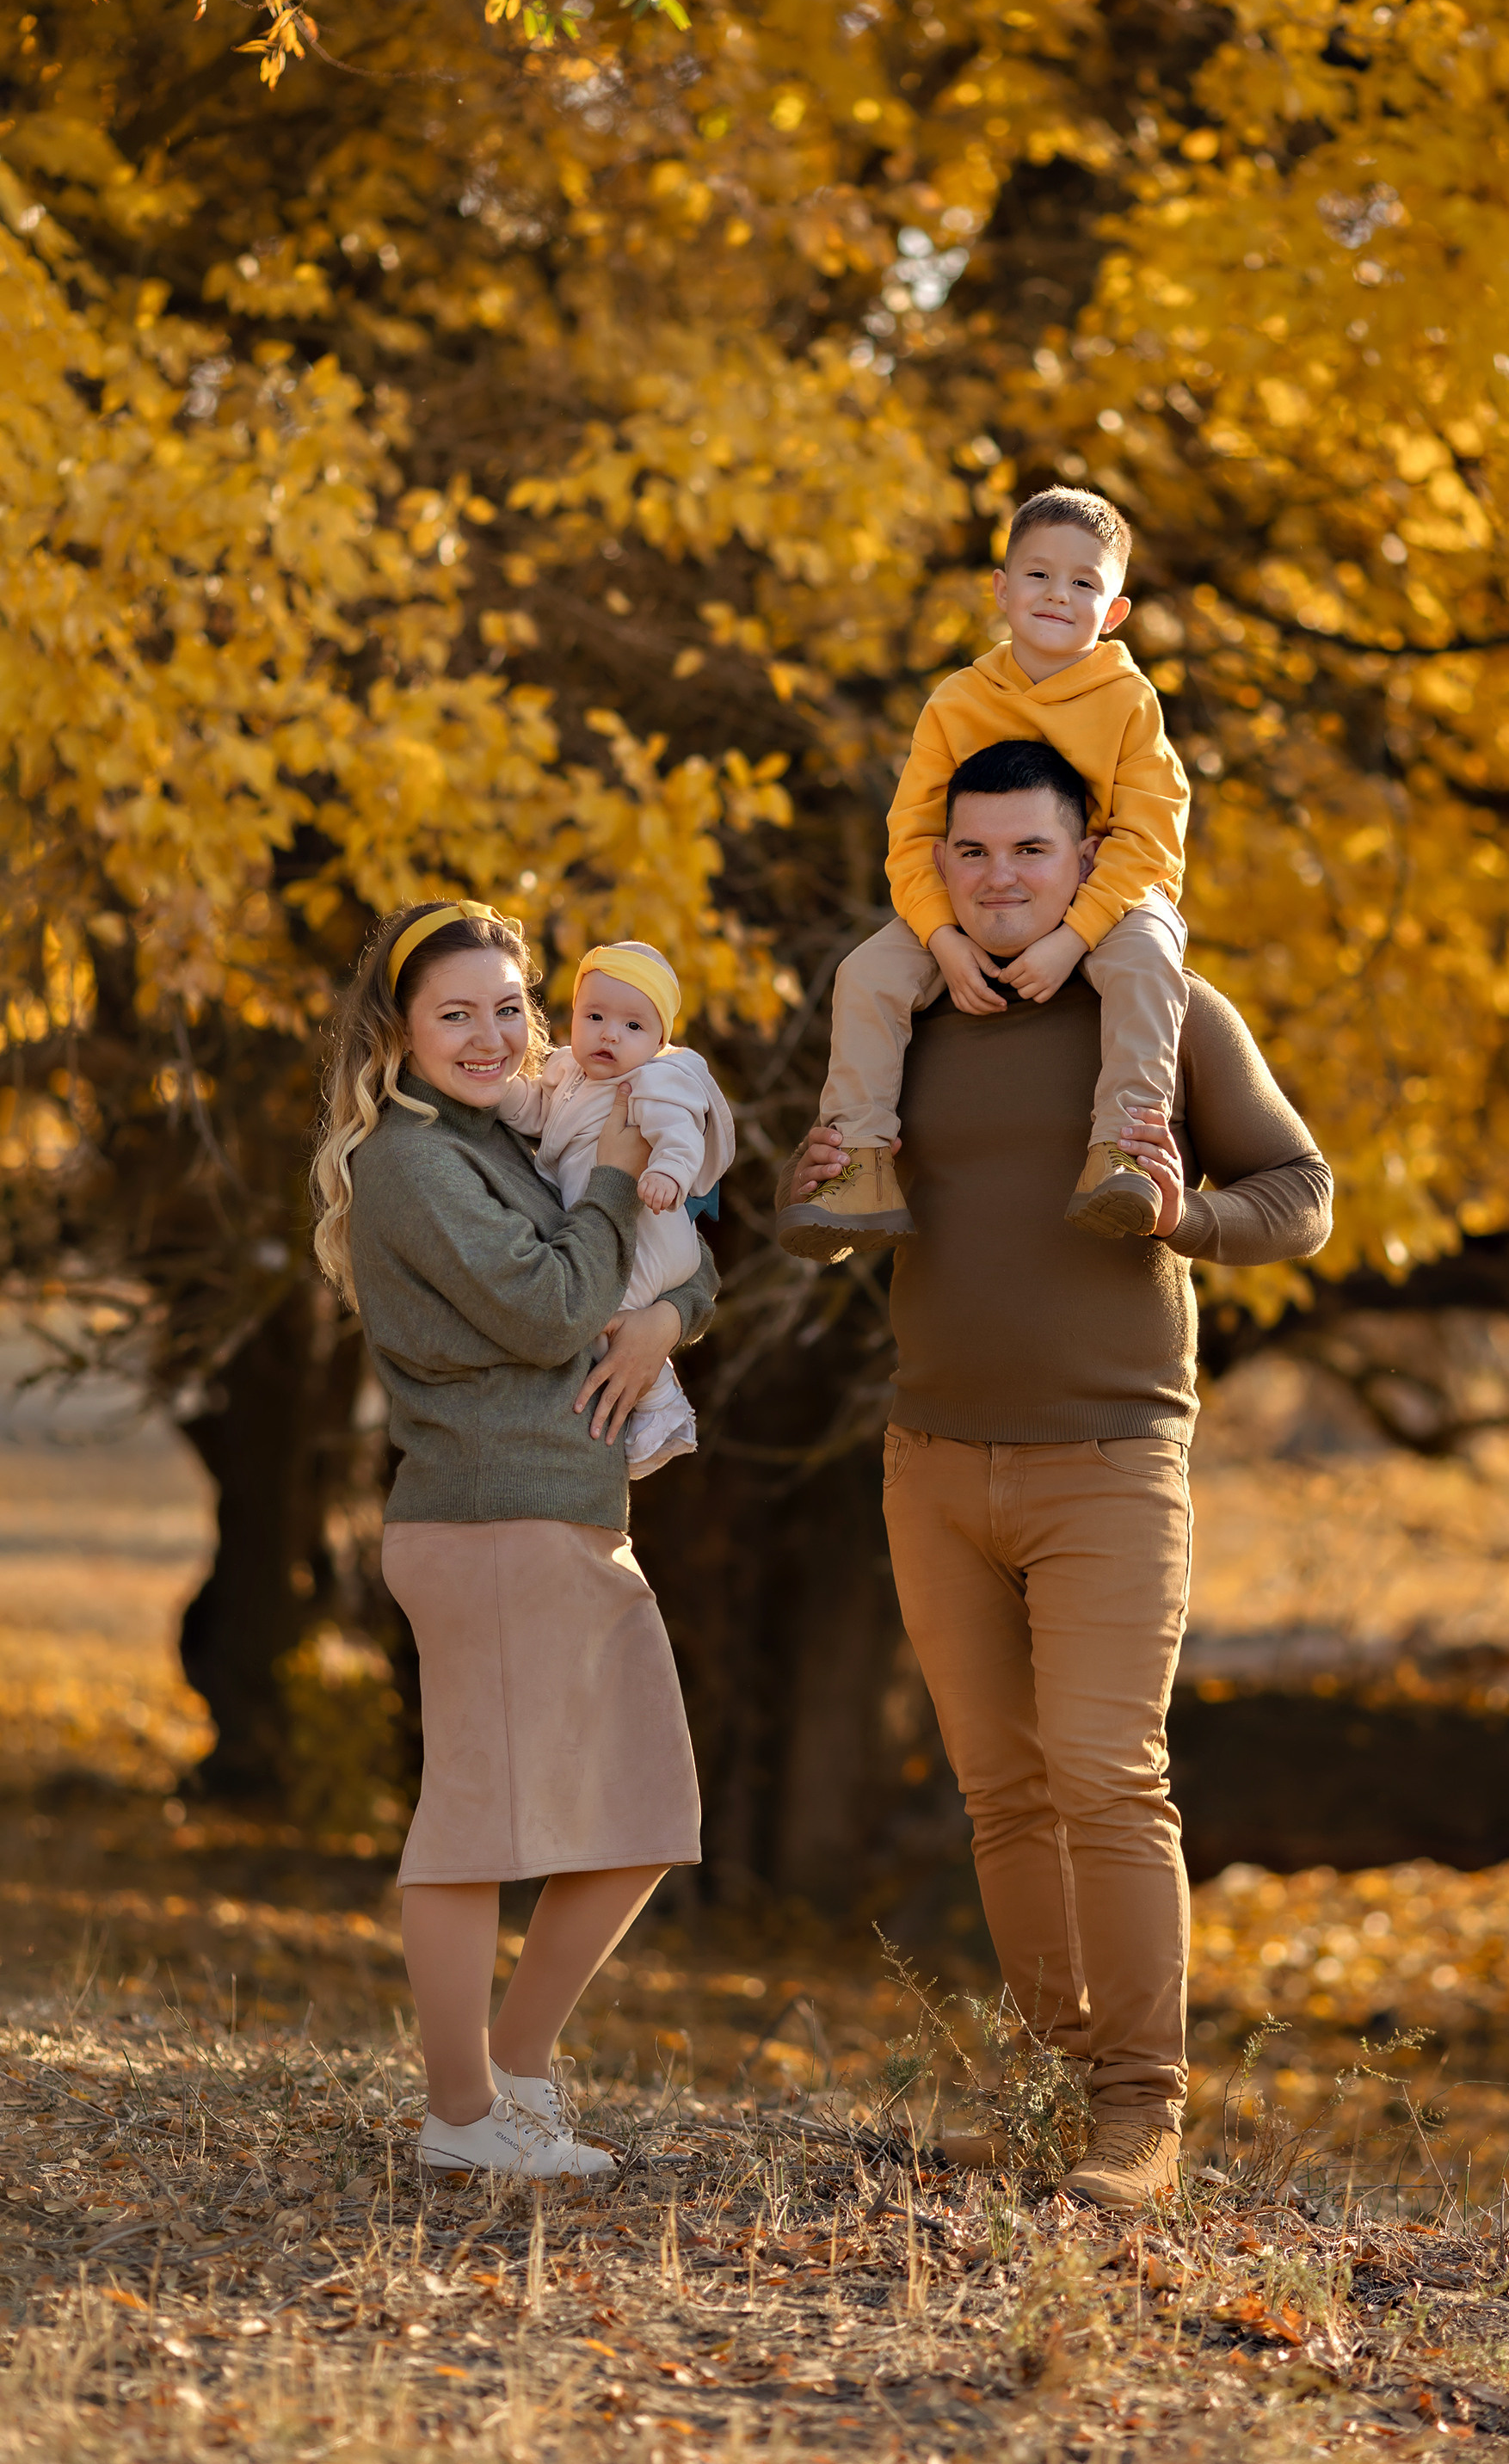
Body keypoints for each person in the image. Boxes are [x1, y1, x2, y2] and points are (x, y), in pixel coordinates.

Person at [778, 742, 1333, 2211]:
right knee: (1001, 1793)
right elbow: (833, 1211)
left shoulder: (1161, 1010)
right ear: (938, 862)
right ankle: (1040, 2089)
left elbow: (1300, 1195)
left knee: (1105, 1774)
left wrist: (1181, 1217)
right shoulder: (905, 1012)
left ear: (1085, 857)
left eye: (1029, 850)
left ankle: (1138, 2116)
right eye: (971, 852)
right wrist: (805, 1189)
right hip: (930, 1459)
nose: (999, 877)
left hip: (1107, 1457)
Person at [310, 899, 717, 2180]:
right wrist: (613, 1178)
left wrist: (667, 1320)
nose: (491, 1036)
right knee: (476, 1826)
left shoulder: (517, 1130)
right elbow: (552, 1309)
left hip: (567, 1509)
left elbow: (674, 1254)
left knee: (646, 1809)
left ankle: (518, 2076)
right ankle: (460, 2111)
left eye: (507, 1007)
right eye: (455, 1015)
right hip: (486, 1519)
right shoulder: (414, 1163)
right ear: (399, 1030)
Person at [785, 487, 1191, 1259]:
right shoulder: (957, 701)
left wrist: (1074, 937)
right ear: (1001, 589)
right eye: (1038, 575)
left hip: (1110, 904)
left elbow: (1151, 840)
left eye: (1084, 583)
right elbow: (913, 837)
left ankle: (1126, 1151)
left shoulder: (1130, 704)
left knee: (1146, 960)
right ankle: (858, 1165)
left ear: (1113, 612)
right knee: (866, 976)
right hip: (966, 904)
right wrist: (942, 939)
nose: (1058, 596)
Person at [497, 939, 735, 1480]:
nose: (609, 1034)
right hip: (612, 1226)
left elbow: (679, 1135)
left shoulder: (654, 1081)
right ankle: (650, 1410)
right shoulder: (566, 1071)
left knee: (600, 1312)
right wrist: (499, 1093)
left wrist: (667, 1174)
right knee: (606, 1315)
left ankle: (660, 1408)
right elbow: (536, 1110)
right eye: (596, 1016)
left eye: (633, 1027)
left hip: (648, 1230)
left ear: (659, 1041)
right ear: (574, 1016)